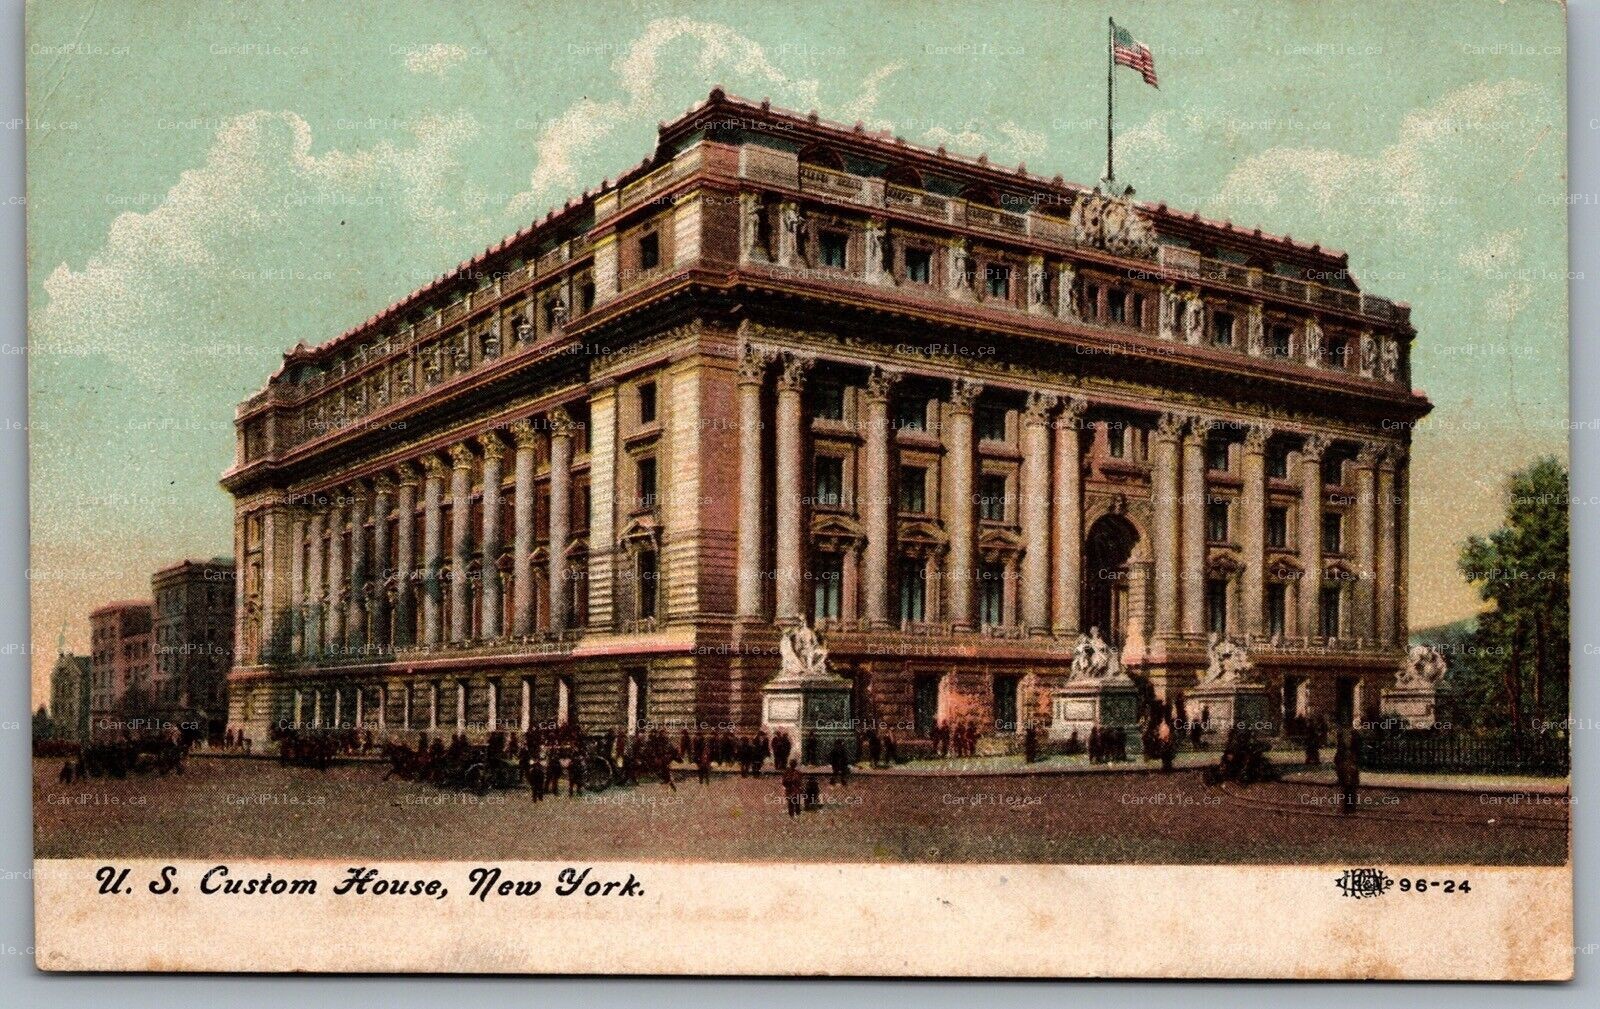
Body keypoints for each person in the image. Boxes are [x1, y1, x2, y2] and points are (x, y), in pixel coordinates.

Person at [1334, 729, 1361, 815]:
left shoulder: (1343, 746)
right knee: (1350, 789)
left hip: (1346, 769)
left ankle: (1347, 808)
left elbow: (1337, 758)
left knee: (1347, 789)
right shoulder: (1350, 747)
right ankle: (1350, 807)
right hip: (1348, 769)